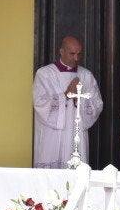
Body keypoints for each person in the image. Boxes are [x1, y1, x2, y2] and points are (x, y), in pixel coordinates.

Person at [33, 36, 103, 169]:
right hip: (52, 136)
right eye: (72, 54)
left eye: (79, 54)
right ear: (62, 51)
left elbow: (97, 104)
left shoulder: (86, 76)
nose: (76, 58)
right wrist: (66, 94)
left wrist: (80, 100)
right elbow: (40, 103)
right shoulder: (45, 74)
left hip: (76, 134)